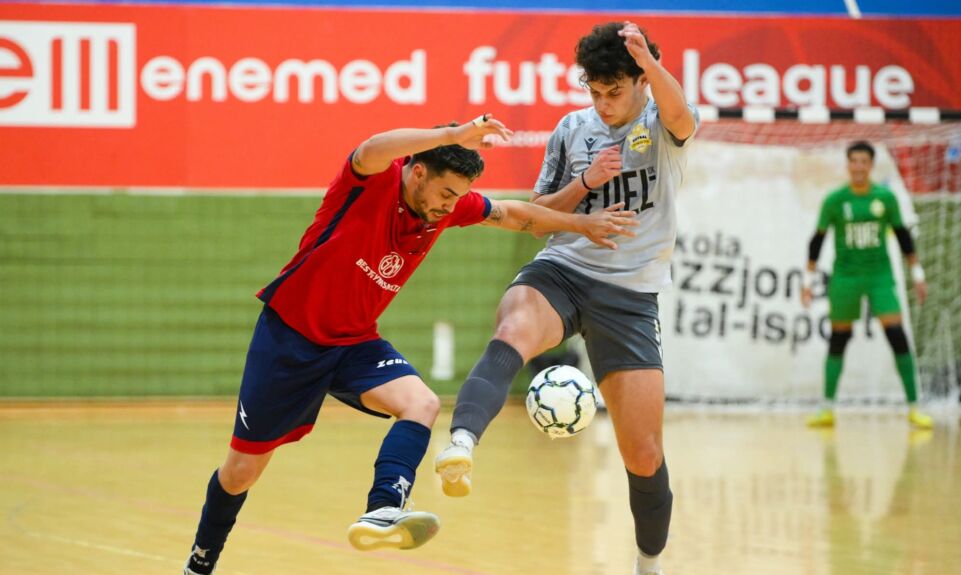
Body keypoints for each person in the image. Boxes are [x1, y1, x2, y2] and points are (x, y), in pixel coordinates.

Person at [182, 116, 638, 575]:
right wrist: (450, 136)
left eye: (458, 197)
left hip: (354, 342)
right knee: (241, 471)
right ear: (417, 171)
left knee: (421, 402)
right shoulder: (371, 180)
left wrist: (582, 225)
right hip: (289, 338)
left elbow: (517, 215)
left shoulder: (447, 206)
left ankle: (383, 507)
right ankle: (200, 564)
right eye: (445, 194)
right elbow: (371, 145)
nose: (450, 206)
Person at [434, 21, 698, 575]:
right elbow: (536, 217)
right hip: (565, 269)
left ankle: (648, 564)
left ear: (642, 82)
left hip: (630, 295)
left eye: (615, 91)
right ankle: (460, 442)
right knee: (511, 331)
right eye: (594, 92)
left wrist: (649, 61)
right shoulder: (572, 130)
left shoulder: (661, 121)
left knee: (644, 454)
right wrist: (584, 193)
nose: (602, 104)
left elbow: (681, 115)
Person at [801, 140, 932, 429]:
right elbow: (817, 242)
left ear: (871, 165)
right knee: (839, 338)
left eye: (864, 161)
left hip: (879, 276)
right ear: (848, 165)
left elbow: (902, 236)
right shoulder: (835, 200)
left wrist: (918, 274)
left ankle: (914, 407)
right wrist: (807, 282)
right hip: (846, 277)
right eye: (854, 161)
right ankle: (827, 409)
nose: (859, 166)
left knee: (896, 334)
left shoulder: (885, 198)